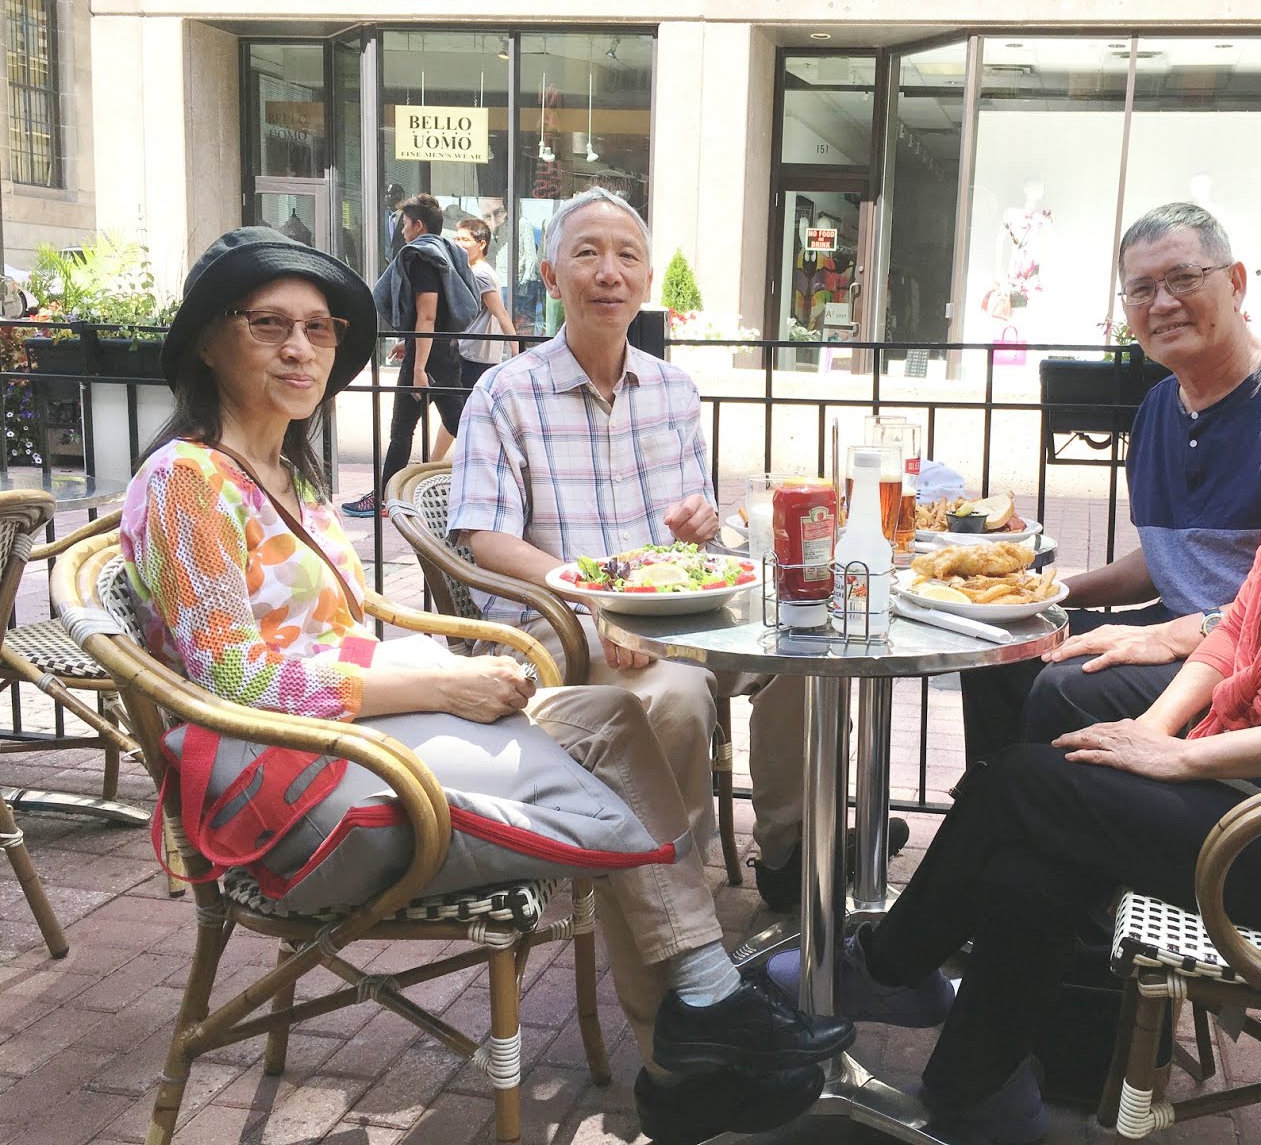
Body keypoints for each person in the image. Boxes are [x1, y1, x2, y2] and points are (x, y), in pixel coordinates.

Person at [770, 188, 1261, 1143]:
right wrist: (1150, 733)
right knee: (1048, 826)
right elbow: (1239, 633)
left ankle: (888, 964)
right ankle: (970, 1092)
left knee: (1020, 787)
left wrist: (1182, 760)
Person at [125, 227, 854, 1145]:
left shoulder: (287, 475)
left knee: (615, 722)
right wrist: (440, 682)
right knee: (623, 748)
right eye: (269, 325)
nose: (302, 347)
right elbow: (235, 677)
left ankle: (703, 1002)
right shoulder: (187, 481)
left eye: (320, 328)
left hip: (357, 744)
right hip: (296, 791)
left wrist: (449, 676)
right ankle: (703, 1016)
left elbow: (334, 639)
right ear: (208, 341)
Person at [448, 186, 908, 913]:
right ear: (550, 276)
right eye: (588, 253)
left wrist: (703, 522)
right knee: (680, 693)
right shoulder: (506, 394)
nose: (609, 272)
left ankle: (789, 851)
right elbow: (484, 539)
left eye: (627, 256)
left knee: (812, 659)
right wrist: (598, 597)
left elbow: (699, 538)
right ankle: (675, 901)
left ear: (646, 279)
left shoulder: (672, 390)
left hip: (679, 617)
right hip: (564, 625)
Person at [961, 203, 1261, 765]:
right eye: (1141, 291)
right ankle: (997, 804)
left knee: (1066, 686)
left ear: (1235, 283)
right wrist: (1043, 593)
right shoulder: (1159, 407)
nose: (1162, 303)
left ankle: (1045, 822)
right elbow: (1166, 561)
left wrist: (1174, 636)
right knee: (995, 648)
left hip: (1253, 654)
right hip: (1174, 629)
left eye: (1183, 278)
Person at [342, 193, 473, 519]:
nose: (401, 231)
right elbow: (433, 318)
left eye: (403, 224)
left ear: (417, 225)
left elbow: (427, 315)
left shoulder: (422, 258)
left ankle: (385, 498)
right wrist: (411, 343)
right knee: (463, 425)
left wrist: (418, 366)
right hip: (443, 352)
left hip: (428, 358)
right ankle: (492, 478)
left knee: (403, 430)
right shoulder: (447, 251)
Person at [453, 216, 519, 388]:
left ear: (481, 244)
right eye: (457, 238)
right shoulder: (476, 271)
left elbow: (501, 313)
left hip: (475, 355)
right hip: (476, 353)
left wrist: (515, 349)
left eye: (465, 240)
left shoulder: (480, 275)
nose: (459, 243)